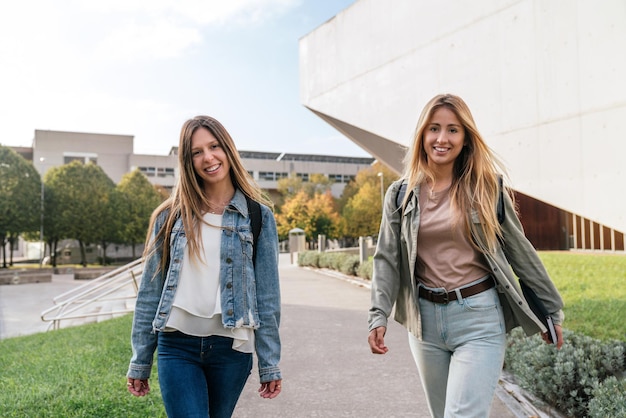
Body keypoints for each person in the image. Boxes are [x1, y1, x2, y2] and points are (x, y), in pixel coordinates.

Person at [367, 94, 564, 418]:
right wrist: (378, 314)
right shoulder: (400, 195)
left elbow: (519, 251)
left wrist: (550, 310)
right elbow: (386, 257)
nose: (442, 138)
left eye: (453, 130)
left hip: (479, 318)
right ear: (422, 135)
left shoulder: (487, 189)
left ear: (465, 137)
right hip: (425, 324)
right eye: (434, 129)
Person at [127, 115, 282, 418]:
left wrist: (270, 361)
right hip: (177, 346)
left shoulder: (257, 215)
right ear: (187, 161)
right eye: (196, 152)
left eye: (214, 146)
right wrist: (140, 359)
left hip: (231, 349)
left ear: (228, 149)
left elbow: (267, 296)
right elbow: (149, 292)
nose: (208, 157)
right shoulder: (170, 216)